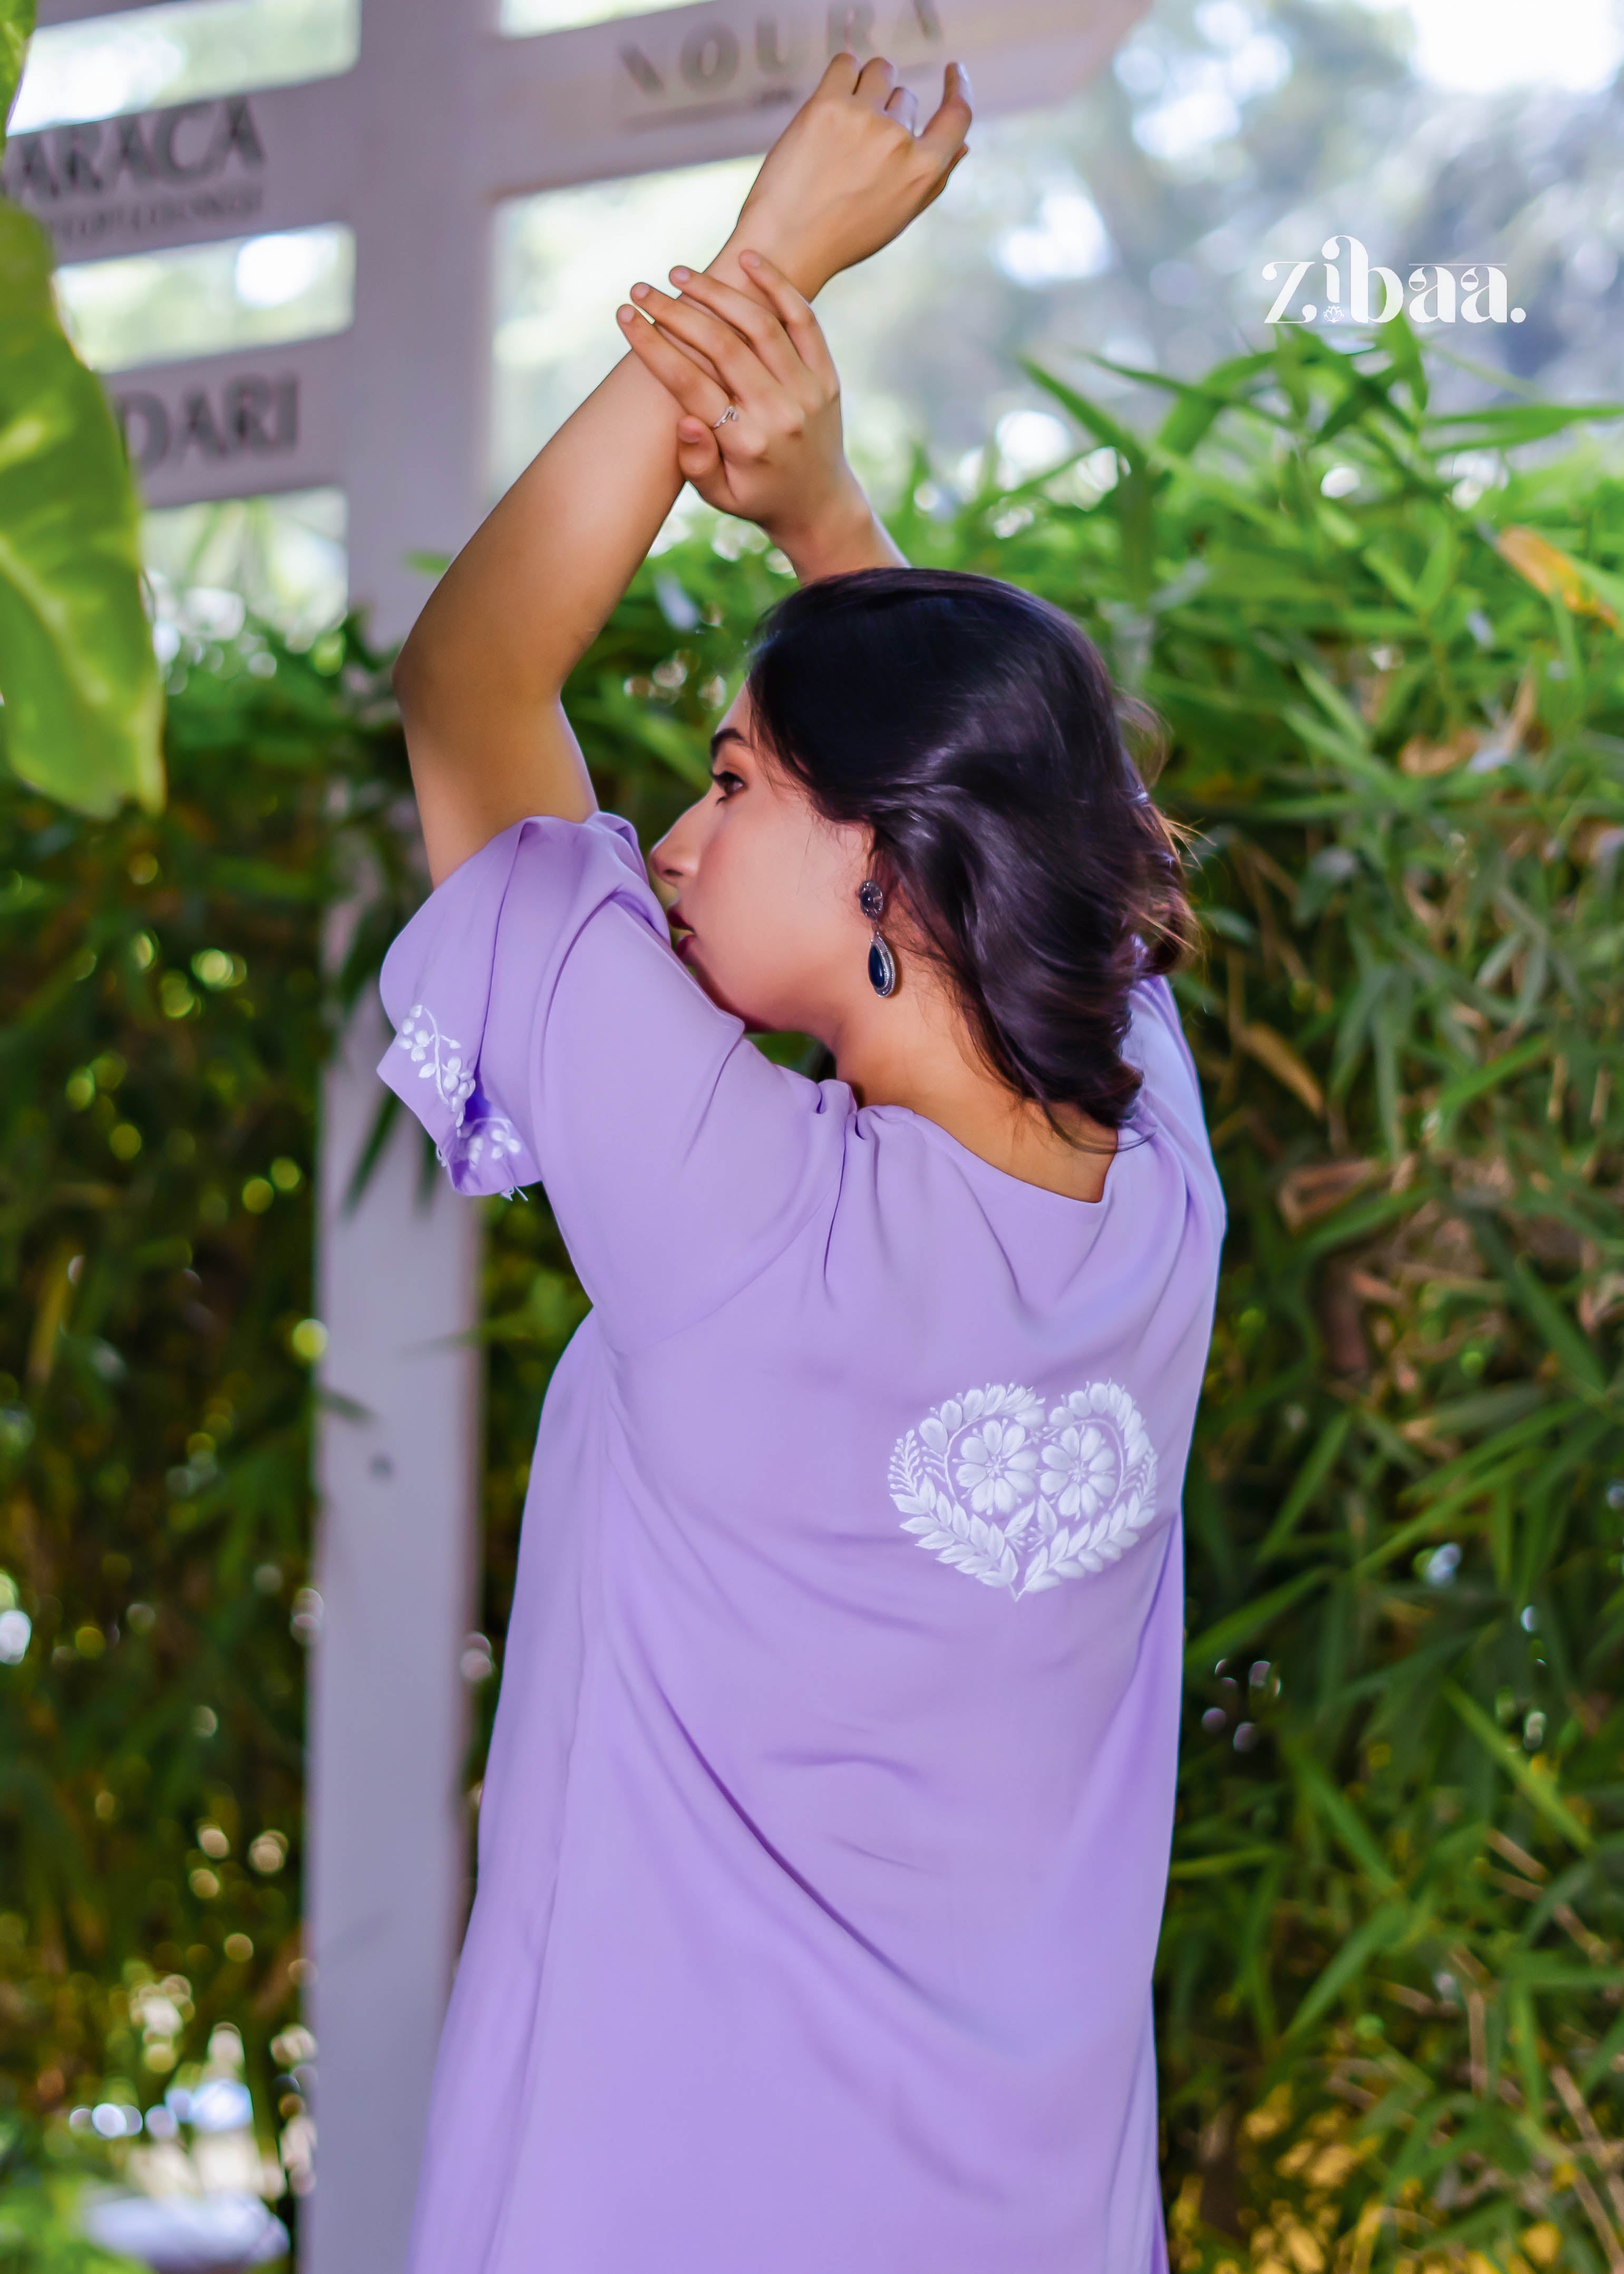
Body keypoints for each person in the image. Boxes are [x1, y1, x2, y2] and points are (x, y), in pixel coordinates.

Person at [379, 51, 1223, 2274]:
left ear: (889, 874)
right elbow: (1021, 803)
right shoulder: (1157, 1187)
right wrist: (822, 511)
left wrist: (769, 264)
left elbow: (471, 683)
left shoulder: (741, 1223)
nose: (672, 833)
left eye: (734, 776)